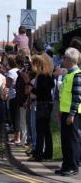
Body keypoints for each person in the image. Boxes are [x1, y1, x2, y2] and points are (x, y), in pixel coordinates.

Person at [55, 47, 81, 176]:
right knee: (65, 140)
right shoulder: (68, 74)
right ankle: (66, 165)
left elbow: (77, 96)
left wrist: (71, 114)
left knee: (72, 141)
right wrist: (61, 110)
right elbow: (64, 95)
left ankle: (74, 167)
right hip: (65, 112)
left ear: (70, 60)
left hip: (73, 114)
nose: (62, 60)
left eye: (64, 58)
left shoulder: (77, 75)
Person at [28, 55, 54, 161]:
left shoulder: (42, 76)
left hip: (43, 104)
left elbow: (41, 92)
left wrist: (31, 89)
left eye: (32, 64)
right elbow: (50, 86)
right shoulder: (47, 75)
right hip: (48, 104)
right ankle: (48, 153)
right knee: (46, 130)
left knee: (40, 130)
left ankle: (38, 154)